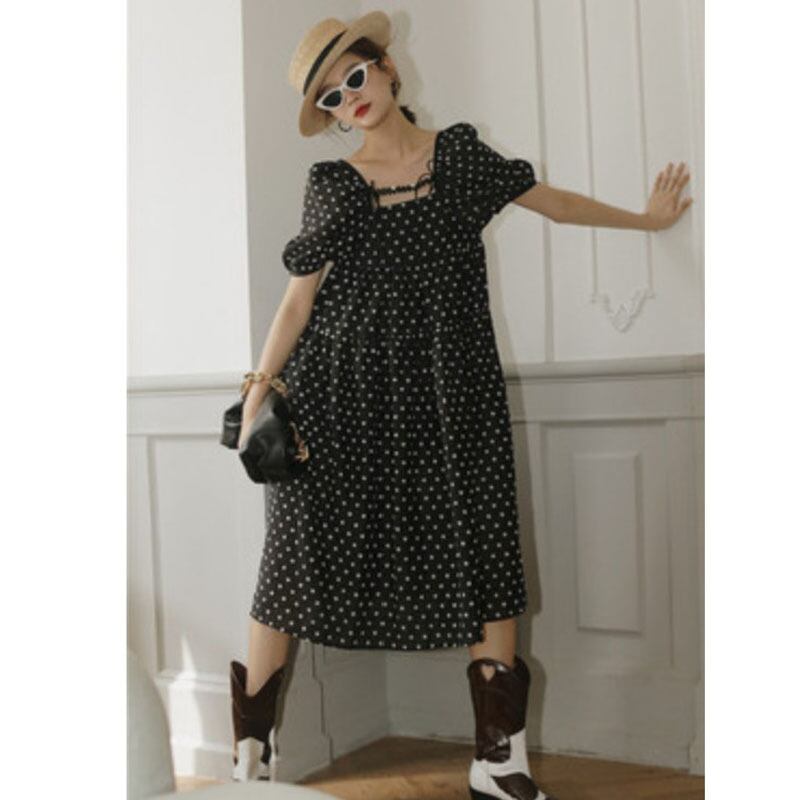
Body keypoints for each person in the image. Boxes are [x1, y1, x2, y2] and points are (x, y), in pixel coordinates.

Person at [228, 11, 692, 798]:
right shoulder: (331, 185)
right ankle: (250, 761)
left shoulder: (462, 159)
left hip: (453, 392)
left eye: (355, 75)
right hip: (340, 393)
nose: (350, 97)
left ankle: (498, 761)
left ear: (387, 69)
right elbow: (298, 301)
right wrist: (259, 387)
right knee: (292, 560)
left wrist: (647, 220)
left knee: (485, 548)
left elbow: (557, 204)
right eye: (332, 96)